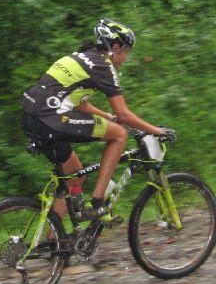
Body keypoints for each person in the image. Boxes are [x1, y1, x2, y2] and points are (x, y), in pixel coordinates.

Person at [21, 19, 175, 223]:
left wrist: (108, 118)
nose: (126, 58)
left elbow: (82, 105)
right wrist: (156, 130)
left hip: (31, 115)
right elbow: (123, 114)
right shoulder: (103, 65)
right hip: (51, 117)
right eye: (127, 52)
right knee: (120, 135)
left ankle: (56, 242)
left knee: (75, 176)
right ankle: (98, 201)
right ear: (116, 47)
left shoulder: (83, 58)